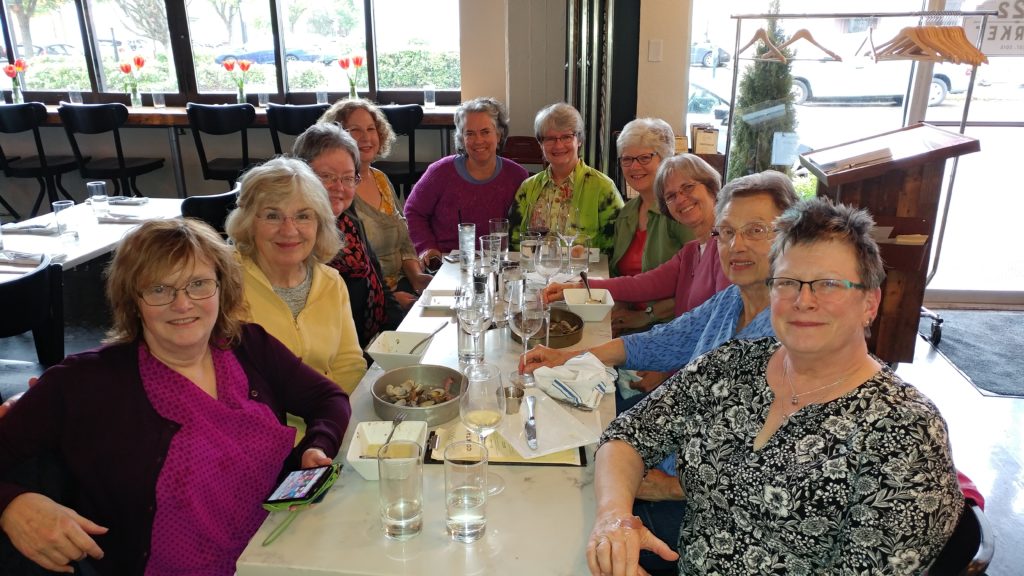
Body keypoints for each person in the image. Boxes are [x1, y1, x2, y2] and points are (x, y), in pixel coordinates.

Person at [586, 197, 962, 575]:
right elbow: (627, 436)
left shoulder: (906, 432)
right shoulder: (734, 364)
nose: (803, 301)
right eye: (787, 282)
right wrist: (613, 517)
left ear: (870, 301)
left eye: (828, 284)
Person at [0, 218, 350, 575]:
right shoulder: (82, 383)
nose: (182, 304)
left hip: (284, 550)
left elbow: (329, 398)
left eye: (198, 284)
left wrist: (316, 446)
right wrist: (13, 505)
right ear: (133, 301)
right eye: (159, 289)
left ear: (221, 288)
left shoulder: (249, 346)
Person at [523, 170, 798, 572]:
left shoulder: (795, 336)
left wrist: (672, 488)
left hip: (705, 516)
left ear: (792, 236)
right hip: (661, 467)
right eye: (726, 232)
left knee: (555, 535)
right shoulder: (731, 302)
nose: (737, 245)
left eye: (756, 230)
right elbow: (660, 341)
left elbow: (779, 470)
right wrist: (567, 358)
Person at [224, 157, 366, 395]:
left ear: (319, 224)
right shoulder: (225, 283)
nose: (289, 230)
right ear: (248, 222)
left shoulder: (331, 282)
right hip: (258, 425)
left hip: (329, 421)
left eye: (303, 216)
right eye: (272, 216)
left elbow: (349, 366)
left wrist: (332, 420)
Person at [546, 153, 727, 336]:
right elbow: (642, 285)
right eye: (671, 196)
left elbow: (718, 331)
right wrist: (576, 287)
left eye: (688, 187)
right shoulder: (691, 252)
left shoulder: (726, 249)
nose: (680, 199)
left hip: (692, 357)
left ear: (711, 187)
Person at [291, 122, 402, 349]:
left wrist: (403, 338)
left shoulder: (349, 221)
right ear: (301, 175)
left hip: (372, 346)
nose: (339, 187)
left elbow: (381, 287)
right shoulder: (292, 238)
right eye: (327, 176)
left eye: (348, 178)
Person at [320, 98, 432, 308]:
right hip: (369, 302)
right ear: (337, 137)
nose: (366, 137)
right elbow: (344, 273)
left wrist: (417, 278)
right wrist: (388, 300)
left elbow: (405, 240)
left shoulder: (380, 179)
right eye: (355, 130)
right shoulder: (337, 193)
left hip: (404, 285)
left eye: (371, 129)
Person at [404, 97, 529, 261]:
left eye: (485, 132)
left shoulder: (517, 176)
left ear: (499, 135)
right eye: (469, 133)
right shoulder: (440, 172)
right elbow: (413, 212)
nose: (478, 140)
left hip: (500, 262)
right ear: (461, 139)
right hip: (448, 262)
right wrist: (427, 247)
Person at [508, 102, 623, 252]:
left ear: (579, 140)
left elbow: (616, 247)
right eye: (550, 138)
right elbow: (515, 242)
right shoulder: (527, 188)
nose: (558, 145)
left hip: (587, 274)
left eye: (567, 137)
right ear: (540, 143)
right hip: (534, 273)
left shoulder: (603, 187)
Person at [608, 118, 693, 280]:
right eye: (627, 159)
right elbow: (616, 273)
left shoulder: (681, 210)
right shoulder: (627, 212)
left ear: (665, 159)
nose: (634, 166)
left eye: (645, 158)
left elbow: (695, 283)